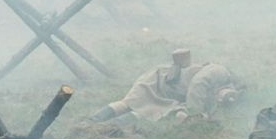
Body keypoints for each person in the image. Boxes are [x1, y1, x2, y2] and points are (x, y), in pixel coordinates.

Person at [89, 48, 239, 123]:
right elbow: (197, 86)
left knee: (146, 112)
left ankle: (104, 128)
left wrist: (202, 116)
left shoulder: (214, 96)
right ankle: (92, 121)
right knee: (129, 103)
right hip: (158, 79)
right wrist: (195, 113)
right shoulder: (219, 72)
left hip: (170, 93)